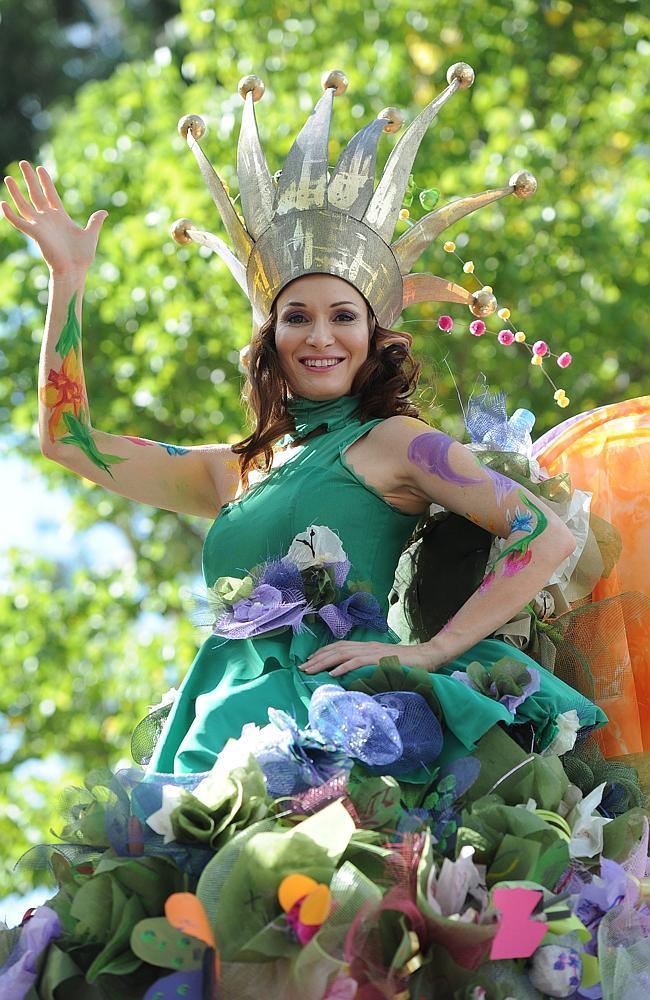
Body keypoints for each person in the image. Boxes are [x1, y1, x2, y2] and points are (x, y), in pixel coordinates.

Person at [1, 65, 645, 1000]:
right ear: (268, 338)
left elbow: (542, 536)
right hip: (212, 735)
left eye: (343, 316)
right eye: (296, 314)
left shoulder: (394, 443)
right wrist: (68, 281)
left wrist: (433, 650)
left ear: (373, 337)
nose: (319, 334)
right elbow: (69, 440)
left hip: (341, 731)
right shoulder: (233, 467)